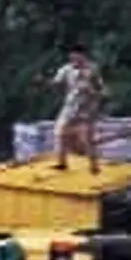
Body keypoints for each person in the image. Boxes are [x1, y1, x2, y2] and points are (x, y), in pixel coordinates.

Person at [45, 44, 106, 173]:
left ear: (83, 56)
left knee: (87, 139)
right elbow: (56, 83)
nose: (74, 58)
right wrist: (45, 82)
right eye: (72, 56)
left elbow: (101, 89)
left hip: (86, 108)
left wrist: (92, 92)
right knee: (60, 133)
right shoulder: (66, 69)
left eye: (77, 55)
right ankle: (62, 162)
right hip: (70, 107)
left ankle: (94, 166)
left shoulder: (92, 70)